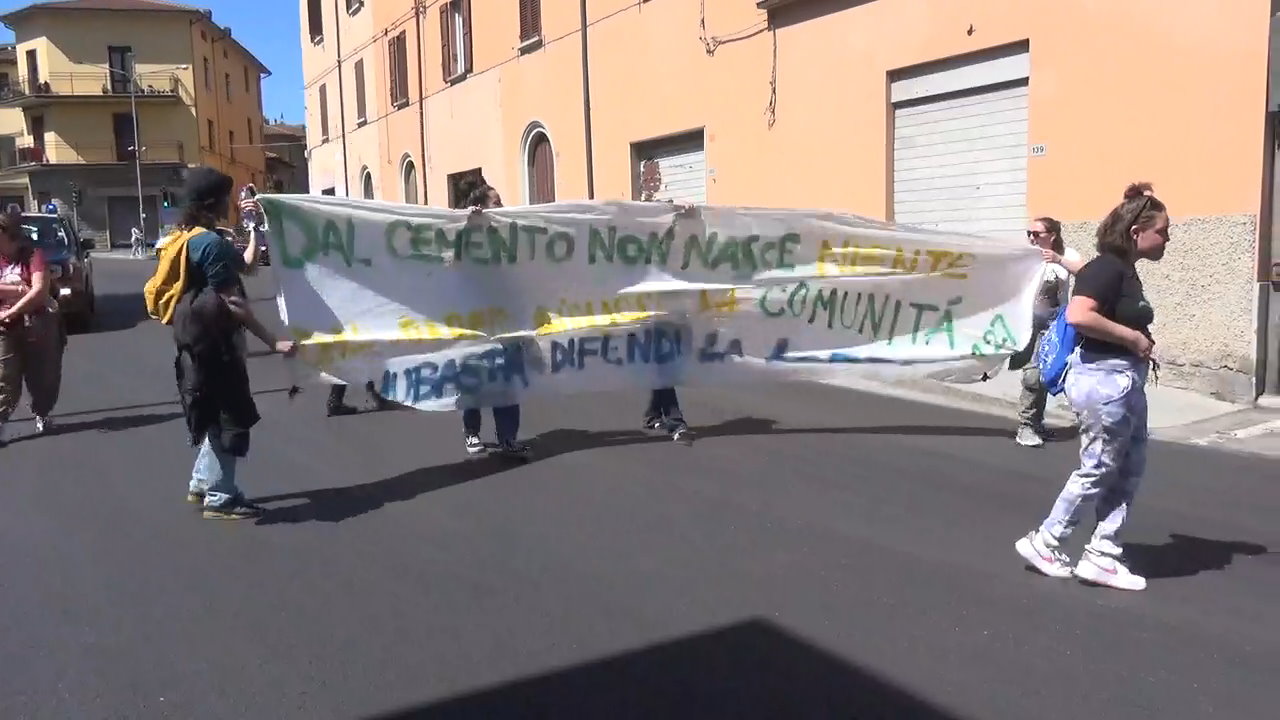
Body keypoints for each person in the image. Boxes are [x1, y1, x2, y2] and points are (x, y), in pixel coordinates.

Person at [1014, 183, 1168, 591]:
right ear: (1136, 232)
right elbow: (1080, 315)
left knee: (1127, 468)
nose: (1167, 238)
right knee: (1098, 467)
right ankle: (1046, 541)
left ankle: (1102, 553)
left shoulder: (1122, 270)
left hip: (1121, 380)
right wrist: (1133, 339)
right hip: (1104, 381)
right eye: (1162, 231)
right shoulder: (1107, 268)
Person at [172, 167, 295, 519]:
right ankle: (221, 498)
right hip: (214, 345)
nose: (231, 204)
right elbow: (234, 302)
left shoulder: (194, 236)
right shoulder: (209, 244)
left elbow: (246, 265)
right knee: (231, 419)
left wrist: (253, 227)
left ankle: (202, 484)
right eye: (227, 198)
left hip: (196, 341)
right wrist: (273, 342)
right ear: (213, 202)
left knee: (214, 414)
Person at [457, 180, 529, 458]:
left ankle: (508, 437)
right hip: (475, 319)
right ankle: (472, 432)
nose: (503, 207)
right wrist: (470, 222)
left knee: (506, 380)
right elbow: (454, 257)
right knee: (474, 378)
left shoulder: (508, 233)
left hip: (506, 318)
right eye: (496, 203)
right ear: (481, 207)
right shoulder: (466, 235)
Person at [1013, 217, 1084, 447]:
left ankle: (1037, 423)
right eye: (1029, 234)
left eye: (1037, 234)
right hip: (1028, 325)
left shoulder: (1066, 255)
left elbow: (1085, 273)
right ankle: (1025, 426)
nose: (1032, 238)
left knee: (1050, 374)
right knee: (1032, 376)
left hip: (1056, 326)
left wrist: (1058, 259)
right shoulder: (1025, 255)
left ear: (1052, 235)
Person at [0, 207, 64, 442]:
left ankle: (42, 412)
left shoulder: (33, 255)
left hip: (38, 323)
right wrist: (18, 289)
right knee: (4, 375)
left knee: (43, 375)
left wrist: (13, 309)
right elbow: (29, 289)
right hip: (4, 327)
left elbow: (39, 291)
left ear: (7, 234)